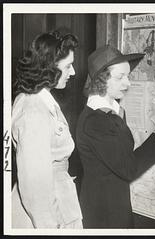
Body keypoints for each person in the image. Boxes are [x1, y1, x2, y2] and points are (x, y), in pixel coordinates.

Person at [76, 45, 155, 228]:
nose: (128, 83)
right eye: (120, 77)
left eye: (127, 76)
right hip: (104, 214)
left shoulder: (110, 112)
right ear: (101, 80)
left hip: (114, 205)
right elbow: (129, 167)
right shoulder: (95, 121)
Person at [11, 31, 82, 228]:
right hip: (47, 217)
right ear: (49, 68)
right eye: (68, 66)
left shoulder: (38, 101)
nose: (73, 72)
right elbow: (35, 189)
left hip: (58, 204)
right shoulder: (34, 110)